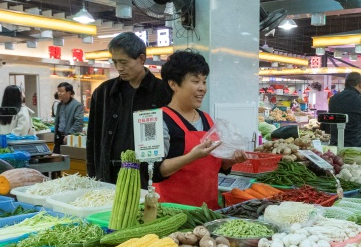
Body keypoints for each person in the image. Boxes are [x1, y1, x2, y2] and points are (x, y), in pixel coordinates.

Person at [151, 50, 244, 209]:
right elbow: (155, 171)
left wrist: (229, 161)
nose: (202, 88)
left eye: (204, 81)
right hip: (173, 213)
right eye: (195, 81)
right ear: (173, 84)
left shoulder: (207, 119)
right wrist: (191, 156)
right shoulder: (156, 120)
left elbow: (213, 165)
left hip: (208, 210)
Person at [86, 32, 171, 183]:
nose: (119, 68)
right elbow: (93, 136)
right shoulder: (103, 92)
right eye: (115, 62)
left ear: (141, 59)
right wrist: (92, 174)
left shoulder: (163, 92)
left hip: (146, 176)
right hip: (109, 175)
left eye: (124, 62)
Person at [52, 82, 84, 154]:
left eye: (62, 91)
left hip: (70, 137)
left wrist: (69, 135)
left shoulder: (77, 105)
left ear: (69, 92)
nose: (59, 93)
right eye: (58, 91)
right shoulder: (59, 105)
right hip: (59, 137)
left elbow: (79, 122)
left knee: (68, 160)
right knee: (56, 158)